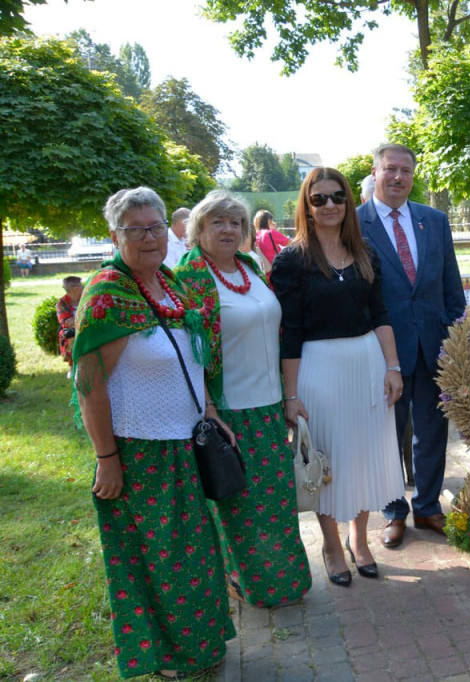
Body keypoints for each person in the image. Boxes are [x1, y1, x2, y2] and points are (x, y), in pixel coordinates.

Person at [74, 187, 235, 678]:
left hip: (187, 442)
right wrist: (107, 457)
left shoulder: (170, 283)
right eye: (135, 229)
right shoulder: (107, 295)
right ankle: (170, 654)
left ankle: (202, 644)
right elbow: (89, 385)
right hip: (142, 451)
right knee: (163, 562)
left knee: (199, 555)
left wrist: (209, 409)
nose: (149, 237)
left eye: (156, 226)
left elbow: (193, 358)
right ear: (114, 235)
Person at [174, 190, 312, 607]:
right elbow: (188, 351)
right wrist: (210, 410)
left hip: (269, 405)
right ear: (198, 230)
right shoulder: (191, 278)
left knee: (278, 502)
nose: (228, 229)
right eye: (218, 222)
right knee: (244, 507)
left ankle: (287, 581)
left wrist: (289, 396)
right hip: (231, 408)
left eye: (235, 222)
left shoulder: (250, 267)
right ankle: (253, 584)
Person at [272, 168, 406, 585]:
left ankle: (359, 539)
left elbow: (381, 314)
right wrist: (290, 396)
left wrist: (393, 366)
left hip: (366, 363)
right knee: (327, 461)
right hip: (319, 368)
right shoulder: (291, 260)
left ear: (348, 202)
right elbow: (289, 331)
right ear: (306, 207)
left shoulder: (365, 251)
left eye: (337, 197)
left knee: (363, 456)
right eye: (319, 199)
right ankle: (331, 545)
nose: (329, 205)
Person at [355, 144, 466, 549]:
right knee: (388, 432)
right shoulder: (355, 224)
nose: (398, 177)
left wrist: (459, 340)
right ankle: (393, 512)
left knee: (433, 430)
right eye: (390, 169)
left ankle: (427, 506)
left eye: (405, 170)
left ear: (413, 175)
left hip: (435, 345)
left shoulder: (433, 221)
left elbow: (451, 285)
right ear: (375, 171)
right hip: (383, 351)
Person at [56, 275, 84, 368]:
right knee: (71, 338)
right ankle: (73, 365)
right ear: (72, 289)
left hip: (86, 326)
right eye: (80, 285)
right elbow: (67, 322)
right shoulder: (62, 303)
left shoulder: (86, 299)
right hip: (71, 331)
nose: (83, 287)